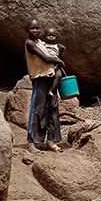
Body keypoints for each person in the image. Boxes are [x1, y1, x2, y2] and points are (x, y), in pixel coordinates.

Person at [24, 18, 65, 153]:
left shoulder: (41, 42)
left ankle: (51, 140)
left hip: (50, 77)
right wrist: (58, 60)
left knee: (52, 109)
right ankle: (32, 142)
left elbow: (52, 52)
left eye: (37, 28)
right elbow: (46, 58)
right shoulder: (30, 43)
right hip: (40, 78)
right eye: (32, 28)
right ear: (27, 30)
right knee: (38, 109)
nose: (35, 31)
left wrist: (60, 51)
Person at [42, 27, 66, 98]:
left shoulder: (57, 46)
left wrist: (62, 50)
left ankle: (51, 90)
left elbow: (59, 56)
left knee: (59, 75)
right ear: (44, 37)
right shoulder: (43, 44)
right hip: (45, 64)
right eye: (49, 35)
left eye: (53, 35)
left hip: (54, 65)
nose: (51, 37)